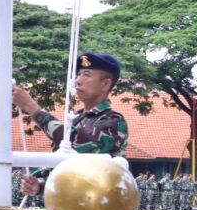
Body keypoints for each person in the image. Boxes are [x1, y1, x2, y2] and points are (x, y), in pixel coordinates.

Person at [12, 52, 129, 201]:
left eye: (86, 75)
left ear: (105, 84)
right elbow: (67, 168)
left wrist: (32, 107)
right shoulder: (75, 119)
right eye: (78, 74)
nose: (78, 81)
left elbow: (75, 146)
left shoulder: (112, 121)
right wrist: (40, 185)